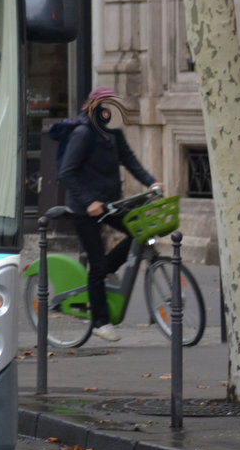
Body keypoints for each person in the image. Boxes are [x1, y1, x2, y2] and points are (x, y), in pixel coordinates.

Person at [58, 86, 163, 342]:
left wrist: (151, 183)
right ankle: (100, 322)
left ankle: (106, 268)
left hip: (110, 204)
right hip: (85, 208)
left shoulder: (112, 134)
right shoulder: (83, 134)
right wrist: (88, 201)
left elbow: (130, 160)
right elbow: (66, 172)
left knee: (140, 231)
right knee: (96, 264)